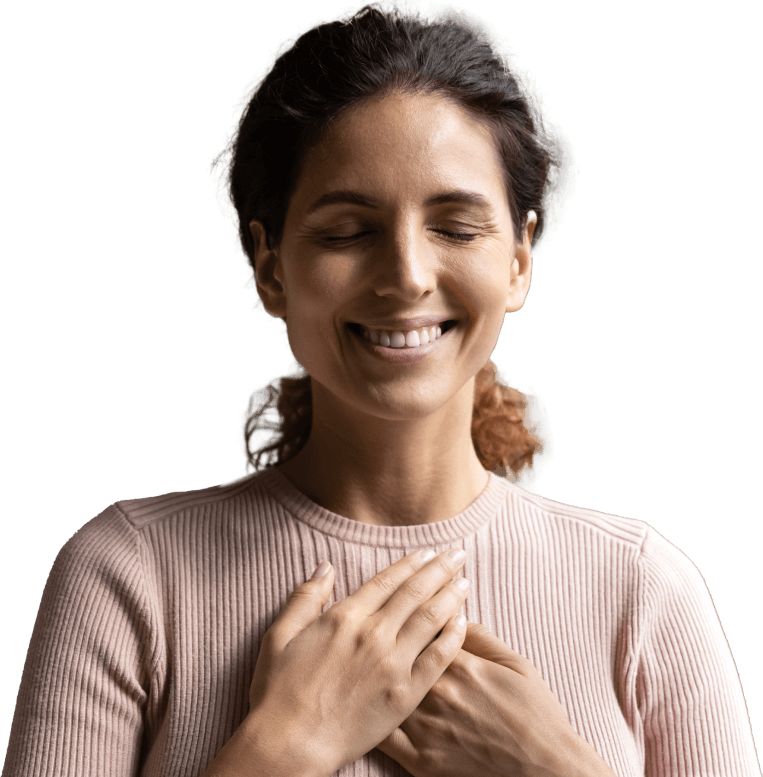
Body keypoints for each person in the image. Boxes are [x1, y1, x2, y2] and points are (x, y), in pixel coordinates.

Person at [4, 3, 759, 776]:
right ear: (269, 266)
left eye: (457, 228)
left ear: (519, 259)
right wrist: (282, 748)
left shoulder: (643, 589)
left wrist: (552, 767)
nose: (405, 273)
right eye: (345, 231)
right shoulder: (128, 577)